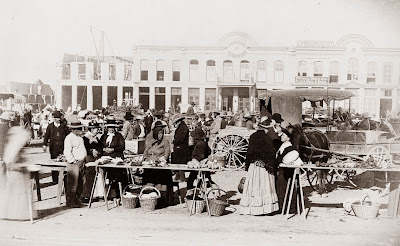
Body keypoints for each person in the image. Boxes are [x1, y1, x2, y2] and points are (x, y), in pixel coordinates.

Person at [240, 118, 279, 215]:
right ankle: (265, 209)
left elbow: (249, 152)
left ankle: (252, 208)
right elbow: (271, 153)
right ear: (266, 128)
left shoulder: (253, 136)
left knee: (254, 187)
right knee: (264, 187)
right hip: (264, 168)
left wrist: (248, 165)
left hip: (254, 166)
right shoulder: (267, 138)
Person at [142, 121, 173, 206]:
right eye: (159, 133)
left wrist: (161, 160)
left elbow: (166, 154)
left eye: (162, 133)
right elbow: (145, 153)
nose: (161, 135)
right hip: (150, 167)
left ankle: (160, 200)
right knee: (149, 182)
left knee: (160, 183)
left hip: (160, 168)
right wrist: (146, 159)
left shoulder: (165, 142)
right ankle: (149, 200)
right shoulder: (151, 142)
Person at [100, 117, 127, 199]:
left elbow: (122, 147)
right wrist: (103, 149)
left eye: (112, 127)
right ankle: (108, 193)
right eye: (109, 127)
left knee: (117, 175)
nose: (111, 129)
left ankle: (117, 194)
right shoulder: (104, 136)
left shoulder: (119, 136)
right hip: (106, 158)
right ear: (107, 128)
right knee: (106, 175)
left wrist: (113, 149)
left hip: (116, 157)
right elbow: (100, 146)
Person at [63, 120, 87, 208]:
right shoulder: (69, 138)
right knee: (73, 183)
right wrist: (72, 160)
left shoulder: (80, 138)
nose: (80, 130)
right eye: (78, 129)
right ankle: (70, 201)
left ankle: (77, 200)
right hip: (74, 163)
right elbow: (67, 151)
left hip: (81, 162)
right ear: (73, 130)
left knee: (81, 182)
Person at [186, 127, 216, 193]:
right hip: (203, 164)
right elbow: (209, 151)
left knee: (191, 180)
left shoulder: (199, 144)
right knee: (206, 178)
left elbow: (200, 155)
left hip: (199, 164)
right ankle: (201, 190)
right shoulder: (203, 143)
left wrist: (195, 160)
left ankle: (190, 192)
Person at [43, 111, 70, 183]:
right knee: (54, 162)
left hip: (62, 146)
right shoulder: (50, 126)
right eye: (56, 118)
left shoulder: (64, 126)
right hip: (53, 147)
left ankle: (63, 177)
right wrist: (44, 144)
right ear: (54, 118)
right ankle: (55, 179)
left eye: (59, 118)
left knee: (63, 161)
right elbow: (46, 136)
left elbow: (68, 136)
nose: (58, 119)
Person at [81, 122, 103, 203]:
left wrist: (98, 151)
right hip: (88, 160)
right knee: (89, 176)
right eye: (97, 128)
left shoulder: (96, 138)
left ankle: (97, 194)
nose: (98, 130)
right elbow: (83, 149)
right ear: (92, 129)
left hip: (96, 159)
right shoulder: (85, 138)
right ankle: (86, 195)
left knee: (98, 176)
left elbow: (100, 147)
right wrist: (91, 151)